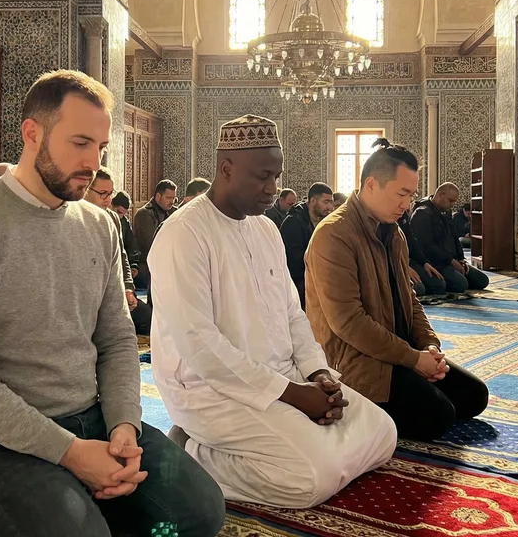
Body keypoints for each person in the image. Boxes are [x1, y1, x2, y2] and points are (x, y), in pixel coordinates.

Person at [0, 70, 224, 537]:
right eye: (79, 143)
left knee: (197, 514)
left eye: (99, 148)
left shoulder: (98, 226)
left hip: (93, 420)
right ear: (32, 133)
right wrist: (69, 453)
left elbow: (118, 340)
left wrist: (124, 424)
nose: (92, 163)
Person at [150, 115, 396, 508]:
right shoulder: (184, 233)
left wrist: (317, 373)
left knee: (383, 433)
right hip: (209, 390)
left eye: (277, 177)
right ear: (225, 169)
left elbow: (293, 314)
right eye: (263, 176)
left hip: (287, 376)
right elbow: (201, 347)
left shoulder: (265, 229)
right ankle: (193, 455)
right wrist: (297, 397)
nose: (272, 189)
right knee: (308, 479)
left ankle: (291, 441)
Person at [305, 142, 489, 441]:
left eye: (412, 195)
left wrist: (429, 346)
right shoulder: (333, 235)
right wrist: (413, 360)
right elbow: (348, 323)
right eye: (401, 194)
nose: (407, 204)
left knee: (474, 396)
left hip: (398, 350)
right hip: (355, 361)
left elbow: (410, 299)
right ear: (371, 184)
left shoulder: (394, 233)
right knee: (438, 416)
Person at [85, 168, 152, 335]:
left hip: (113, 291)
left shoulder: (113, 218)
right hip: (88, 295)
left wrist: (128, 288)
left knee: (147, 318)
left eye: (110, 194)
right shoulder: (75, 218)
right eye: (102, 194)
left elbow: (122, 256)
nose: (108, 200)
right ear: (86, 190)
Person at [410, 184, 489, 292]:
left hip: (451, 260)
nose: (452, 205)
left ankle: (454, 276)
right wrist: (451, 261)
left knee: (482, 280)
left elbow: (454, 236)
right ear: (440, 195)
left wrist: (461, 259)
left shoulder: (446, 211)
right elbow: (427, 247)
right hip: (436, 262)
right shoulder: (422, 213)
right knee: (461, 285)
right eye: (450, 201)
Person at [280, 183, 336, 307]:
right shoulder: (294, 222)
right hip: (297, 290)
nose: (330, 207)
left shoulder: (321, 220)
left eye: (331, 202)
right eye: (326, 202)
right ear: (312, 201)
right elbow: (294, 262)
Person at [132, 179, 177, 293]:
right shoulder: (144, 214)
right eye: (168, 198)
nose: (171, 202)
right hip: (146, 267)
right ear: (158, 196)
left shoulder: (172, 212)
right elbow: (153, 245)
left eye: (173, 198)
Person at [398, 210, 446, 297]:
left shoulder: (402, 214)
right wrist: (403, 267)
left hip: (407, 260)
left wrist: (424, 262)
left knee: (439, 285)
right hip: (393, 263)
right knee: (419, 289)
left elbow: (412, 241)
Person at [111, 191, 141, 278]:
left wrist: (133, 265)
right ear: (111, 205)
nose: (120, 216)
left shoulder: (124, 222)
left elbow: (130, 245)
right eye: (118, 212)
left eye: (123, 214)